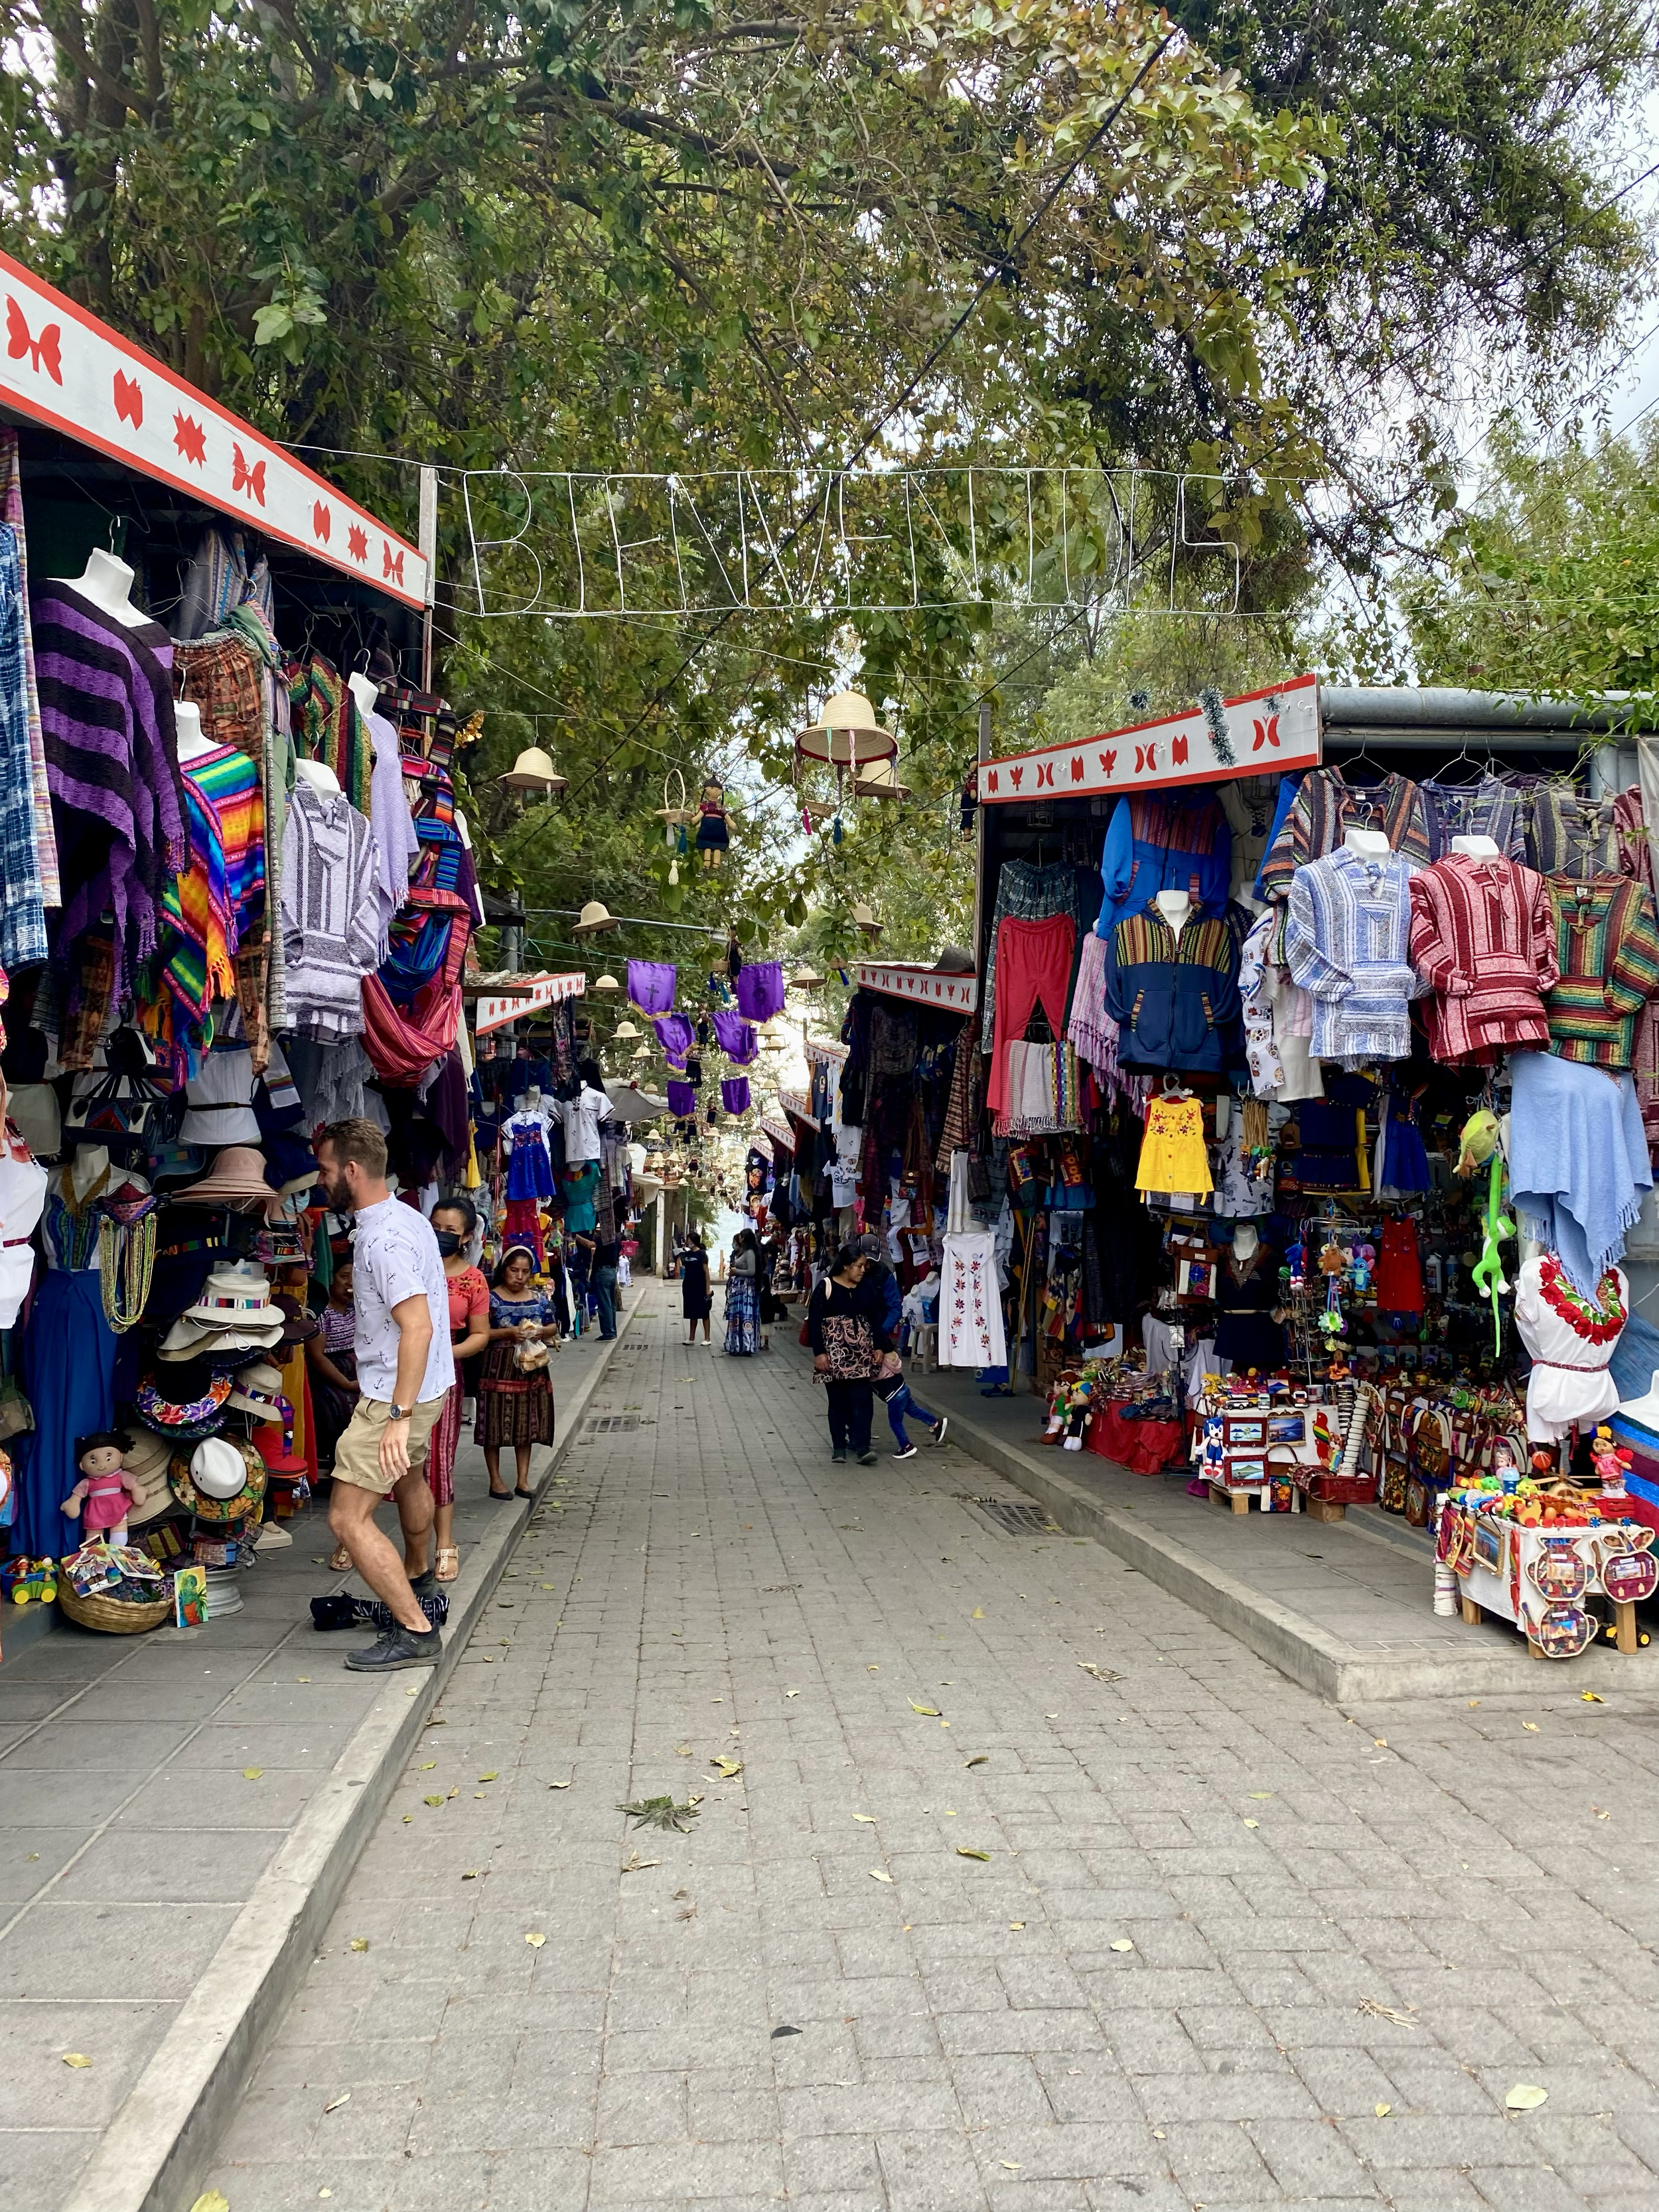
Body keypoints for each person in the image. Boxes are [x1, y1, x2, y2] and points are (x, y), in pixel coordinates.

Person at [315, 1119, 455, 1673]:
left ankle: (415, 1630)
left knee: (348, 1519)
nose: (321, 1180)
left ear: (351, 1170)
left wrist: (396, 1415)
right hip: (426, 1386)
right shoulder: (406, 1217)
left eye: (326, 1170)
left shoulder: (382, 1238)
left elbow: (416, 1326)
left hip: (394, 1394)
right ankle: (417, 1581)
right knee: (411, 1477)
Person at [426, 1197, 492, 1582]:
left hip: (444, 1374)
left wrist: (442, 1352)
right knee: (379, 1452)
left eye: (450, 1230)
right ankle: (353, 1539)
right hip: (398, 1369)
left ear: (466, 1237)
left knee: (438, 1458)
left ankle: (444, 1544)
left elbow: (480, 1335)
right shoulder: (411, 1269)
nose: (441, 1235)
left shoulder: (473, 1279)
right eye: (436, 1226)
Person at [476, 1245, 559, 1497]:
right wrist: (508, 1333)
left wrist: (541, 1331)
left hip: (531, 1368)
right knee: (494, 1424)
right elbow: (479, 1332)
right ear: (504, 1270)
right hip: (497, 1367)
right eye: (514, 1270)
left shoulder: (538, 1299)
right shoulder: (489, 1299)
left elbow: (553, 1326)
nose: (519, 1276)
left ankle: (523, 1479)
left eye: (524, 1271)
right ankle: (496, 1480)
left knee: (526, 1423)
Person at [806, 1243, 881, 1463]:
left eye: (864, 1266)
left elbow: (875, 1318)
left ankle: (862, 1446)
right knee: (838, 1402)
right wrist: (819, 1353)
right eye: (859, 1266)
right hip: (834, 1355)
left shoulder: (867, 1288)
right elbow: (815, 1323)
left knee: (863, 1400)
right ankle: (839, 1447)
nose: (863, 1270)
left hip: (862, 1355)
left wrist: (879, 1347)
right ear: (847, 1266)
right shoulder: (826, 1286)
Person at [872, 1349, 948, 1460]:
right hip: (903, 1388)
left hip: (893, 1396)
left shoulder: (878, 1364)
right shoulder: (892, 1359)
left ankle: (906, 1446)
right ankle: (936, 1423)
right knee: (914, 1410)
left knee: (895, 1422)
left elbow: (872, 1375)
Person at [725, 1226, 760, 1355]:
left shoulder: (750, 1253)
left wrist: (736, 1271)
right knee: (738, 1316)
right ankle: (738, 1345)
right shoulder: (744, 1252)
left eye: (741, 1236)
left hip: (746, 1288)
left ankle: (746, 1345)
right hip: (739, 1287)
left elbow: (752, 1271)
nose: (739, 1239)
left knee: (746, 1316)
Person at [680, 1230, 712, 1345]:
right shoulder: (687, 1255)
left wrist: (707, 1288)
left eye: (688, 1240)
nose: (687, 1242)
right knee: (691, 1312)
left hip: (700, 1285)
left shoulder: (702, 1254)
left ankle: (707, 1338)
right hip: (689, 1285)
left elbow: (706, 1272)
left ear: (693, 1241)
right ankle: (691, 1338)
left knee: (704, 1311)